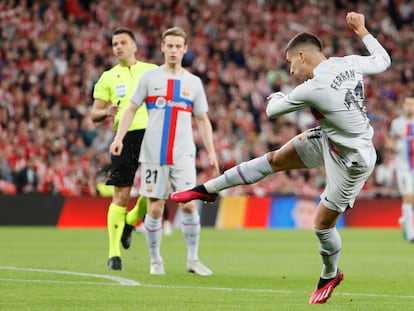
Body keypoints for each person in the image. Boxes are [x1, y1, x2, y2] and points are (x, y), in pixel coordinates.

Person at [171, 12, 391, 303]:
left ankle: (330, 273)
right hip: (331, 137)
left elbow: (272, 112)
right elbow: (383, 61)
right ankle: (207, 189)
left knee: (322, 225)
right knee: (274, 159)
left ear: (302, 55)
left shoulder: (314, 87)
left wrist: (275, 95)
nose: (290, 71)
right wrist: (362, 30)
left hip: (353, 160)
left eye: (289, 63)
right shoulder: (348, 62)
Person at [109, 26, 219, 276]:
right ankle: (155, 261)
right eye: (169, 46)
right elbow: (130, 108)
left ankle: (193, 259)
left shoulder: (193, 83)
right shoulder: (149, 78)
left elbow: (202, 119)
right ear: (162, 47)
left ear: (185, 49)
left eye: (178, 46)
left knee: (189, 205)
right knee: (155, 208)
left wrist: (211, 151)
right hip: (153, 155)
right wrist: (119, 138)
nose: (173, 51)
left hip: (183, 155)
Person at [91, 28, 158, 271]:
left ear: (134, 46)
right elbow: (94, 113)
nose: (117, 47)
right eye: (114, 44)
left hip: (153, 134)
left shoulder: (152, 70)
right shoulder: (108, 77)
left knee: (157, 191)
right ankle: (114, 253)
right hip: (125, 137)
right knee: (121, 194)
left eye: (122, 42)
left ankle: (131, 219)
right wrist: (105, 112)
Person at [388, 95, 414, 242]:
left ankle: (405, 222)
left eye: (412, 104)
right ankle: (410, 236)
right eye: (407, 104)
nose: (409, 107)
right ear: (403, 106)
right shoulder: (397, 124)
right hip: (403, 167)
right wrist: (393, 146)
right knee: (408, 197)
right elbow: (390, 141)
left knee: (412, 200)